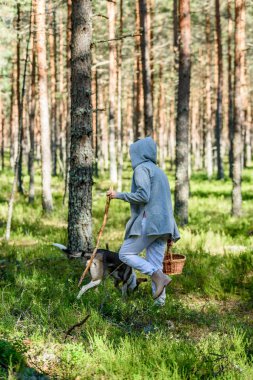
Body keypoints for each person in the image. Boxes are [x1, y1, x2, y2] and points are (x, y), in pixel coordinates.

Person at [107, 137, 180, 305]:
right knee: (155, 263)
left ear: (139, 153)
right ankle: (160, 307)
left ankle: (158, 276)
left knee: (125, 254)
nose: (132, 157)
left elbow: (143, 196)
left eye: (133, 153)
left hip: (150, 223)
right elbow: (165, 202)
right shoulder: (159, 172)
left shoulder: (141, 169)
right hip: (164, 225)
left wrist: (119, 195)